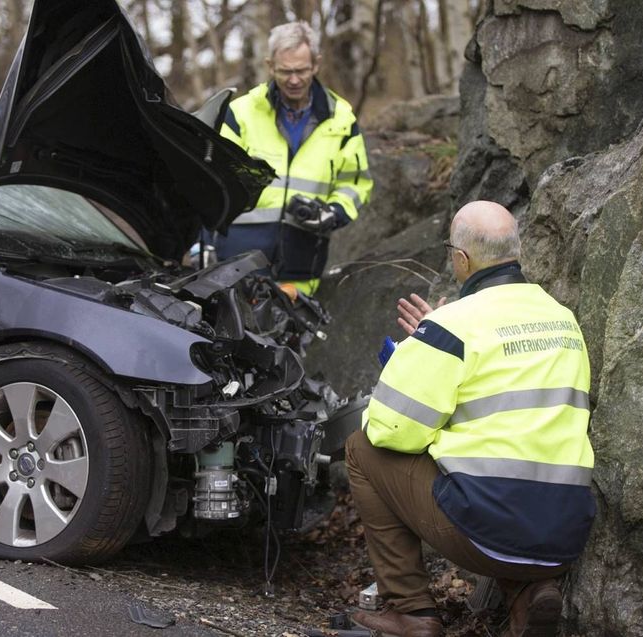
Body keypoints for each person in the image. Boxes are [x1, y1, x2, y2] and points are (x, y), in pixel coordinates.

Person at [345, 200, 596, 637]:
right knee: (497, 480)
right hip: (565, 532)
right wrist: (435, 338)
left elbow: (391, 430)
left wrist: (418, 352)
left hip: (490, 533)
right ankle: (528, 593)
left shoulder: (452, 326)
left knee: (361, 449)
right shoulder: (564, 320)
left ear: (461, 259)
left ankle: (411, 611)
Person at [197, 20, 373, 295]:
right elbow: (211, 182)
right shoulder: (241, 115)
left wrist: (333, 213)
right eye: (285, 71)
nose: (293, 80)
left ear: (316, 64)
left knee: (292, 337)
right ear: (269, 66)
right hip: (236, 262)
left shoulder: (341, 119)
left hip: (301, 265)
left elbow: (355, 182)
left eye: (301, 70)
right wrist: (203, 241)